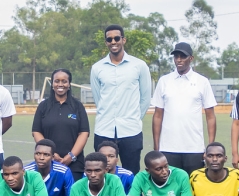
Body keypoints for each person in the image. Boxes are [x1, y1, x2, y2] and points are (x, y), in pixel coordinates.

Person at [90, 24, 153, 173]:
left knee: (131, 173)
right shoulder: (97, 68)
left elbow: (145, 98)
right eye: (109, 39)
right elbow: (98, 99)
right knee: (101, 173)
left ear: (123, 40)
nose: (113, 42)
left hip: (131, 131)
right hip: (104, 129)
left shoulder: (139, 65)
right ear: (106, 42)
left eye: (116, 38)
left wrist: (135, 118)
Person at [151, 42, 217, 175]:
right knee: (171, 189)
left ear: (191, 58)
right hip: (168, 147)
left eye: (183, 56)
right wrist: (156, 146)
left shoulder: (202, 81)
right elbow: (157, 116)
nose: (179, 60)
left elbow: (210, 116)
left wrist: (210, 147)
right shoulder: (164, 81)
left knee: (194, 189)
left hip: (194, 148)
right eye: (176, 56)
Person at [31, 68, 90, 179]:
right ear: (52, 83)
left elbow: (84, 133)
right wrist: (51, 155)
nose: (60, 84)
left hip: (74, 165)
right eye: (57, 81)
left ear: (69, 84)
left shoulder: (78, 106)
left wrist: (71, 156)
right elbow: (36, 131)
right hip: (48, 164)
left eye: (64, 81)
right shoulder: (43, 106)